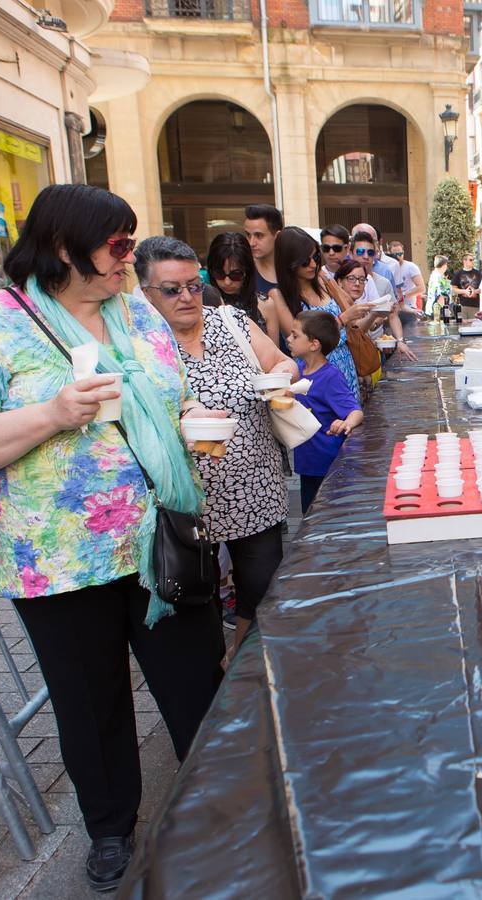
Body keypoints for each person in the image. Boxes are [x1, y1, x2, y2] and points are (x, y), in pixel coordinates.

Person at [0, 184, 226, 892]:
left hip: (161, 542)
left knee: (199, 688)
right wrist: (54, 412)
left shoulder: (135, 316)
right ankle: (111, 829)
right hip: (57, 559)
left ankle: (223, 806)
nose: (130, 257)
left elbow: (175, 396)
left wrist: (196, 423)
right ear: (64, 248)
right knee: (91, 708)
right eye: (118, 245)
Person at [135, 237, 293, 653]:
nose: (187, 296)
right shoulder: (140, 344)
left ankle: (238, 664)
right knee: (192, 593)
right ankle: (206, 669)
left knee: (260, 589)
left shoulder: (231, 323)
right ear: (145, 292)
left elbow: (281, 361)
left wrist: (280, 379)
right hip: (187, 501)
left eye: (193, 284)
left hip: (255, 488)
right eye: (172, 289)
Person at [268, 227, 371, 400]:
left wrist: (328, 280)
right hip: (315, 372)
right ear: (289, 262)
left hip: (345, 363)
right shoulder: (278, 296)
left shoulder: (322, 282)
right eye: (304, 261)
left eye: (316, 257)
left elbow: (349, 308)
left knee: (351, 420)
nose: (313, 264)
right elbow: (300, 341)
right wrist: (341, 320)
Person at [287, 310, 362, 513]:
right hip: (307, 463)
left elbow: (355, 411)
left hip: (327, 464)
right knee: (308, 516)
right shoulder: (297, 371)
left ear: (314, 344)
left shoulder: (330, 377)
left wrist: (346, 423)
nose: (288, 339)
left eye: (295, 335)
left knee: (328, 516)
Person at [349, 230, 416, 362]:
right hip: (353, 351)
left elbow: (393, 314)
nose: (365, 256)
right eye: (360, 252)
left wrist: (400, 341)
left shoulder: (383, 282)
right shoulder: (342, 282)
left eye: (370, 252)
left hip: (376, 350)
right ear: (351, 254)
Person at [205, 232, 271, 333]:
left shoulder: (266, 305)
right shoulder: (203, 305)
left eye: (235, 275)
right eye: (219, 274)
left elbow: (273, 348)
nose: (227, 282)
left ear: (247, 272)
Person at [244, 204, 283, 296]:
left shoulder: (296, 269)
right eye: (248, 235)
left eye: (259, 235)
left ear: (277, 236)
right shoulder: (243, 272)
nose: (251, 243)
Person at [389, 240, 424, 309]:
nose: (398, 257)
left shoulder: (411, 267)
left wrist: (403, 295)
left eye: (400, 254)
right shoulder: (387, 268)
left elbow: (421, 288)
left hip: (409, 306)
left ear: (403, 252)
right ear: (389, 254)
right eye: (395, 255)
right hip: (393, 308)